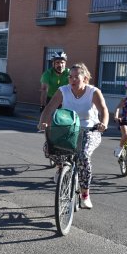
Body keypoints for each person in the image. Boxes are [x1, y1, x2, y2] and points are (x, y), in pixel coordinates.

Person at [38, 62, 109, 210]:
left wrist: (103, 123)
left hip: (90, 130)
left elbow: (104, 110)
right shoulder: (63, 91)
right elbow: (49, 108)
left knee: (83, 156)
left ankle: (85, 195)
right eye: (70, 77)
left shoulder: (93, 92)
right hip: (68, 129)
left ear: (85, 78)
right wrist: (42, 122)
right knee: (49, 147)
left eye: (77, 77)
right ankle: (60, 167)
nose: (73, 80)